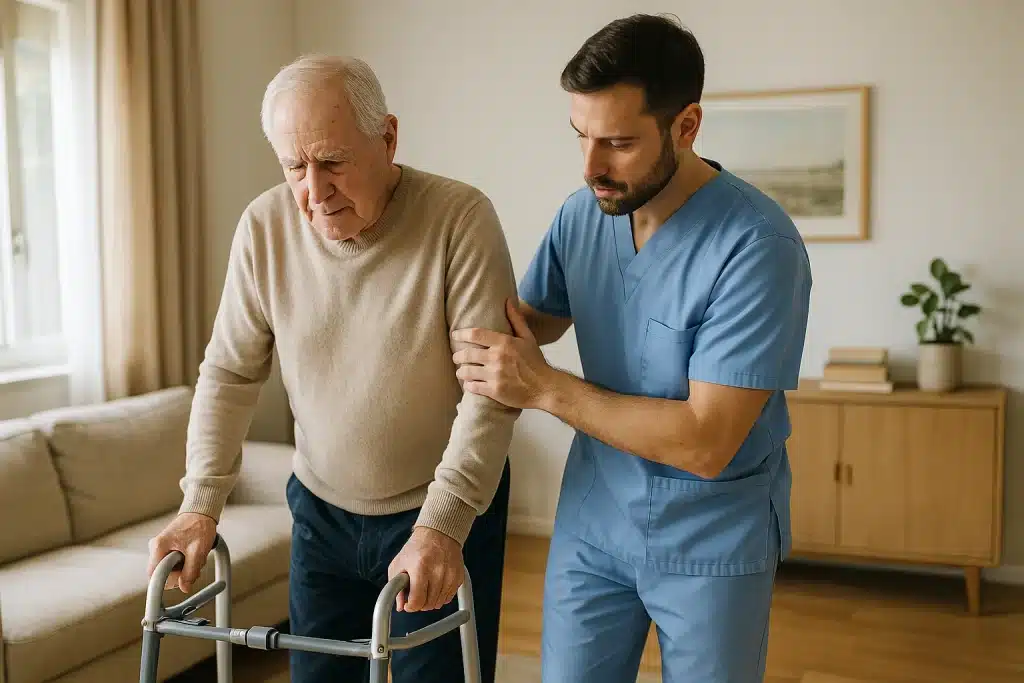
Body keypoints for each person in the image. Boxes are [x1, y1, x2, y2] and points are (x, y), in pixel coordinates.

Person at [452, 14, 812, 683]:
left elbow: (707, 440)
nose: (591, 167)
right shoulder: (582, 214)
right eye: (580, 136)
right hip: (595, 521)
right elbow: (527, 323)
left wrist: (545, 387)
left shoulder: (758, 246)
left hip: (713, 535)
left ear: (687, 126)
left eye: (617, 143)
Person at [146, 55, 521, 683]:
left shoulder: (461, 218)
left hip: (440, 507)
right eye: (295, 166)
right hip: (321, 508)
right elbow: (230, 374)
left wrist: (444, 523)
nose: (314, 192)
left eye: (333, 162)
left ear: (389, 138)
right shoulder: (264, 227)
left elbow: (490, 392)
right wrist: (199, 505)